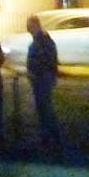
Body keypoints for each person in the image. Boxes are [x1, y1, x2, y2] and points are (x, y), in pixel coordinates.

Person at [25, 15, 62, 147]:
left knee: (44, 108)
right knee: (45, 107)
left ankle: (50, 136)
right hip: (44, 76)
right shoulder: (46, 40)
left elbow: (40, 59)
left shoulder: (40, 42)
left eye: (29, 26)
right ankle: (50, 136)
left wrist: (34, 72)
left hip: (41, 77)